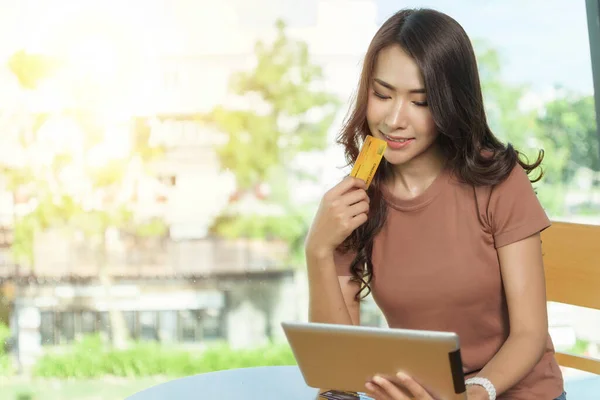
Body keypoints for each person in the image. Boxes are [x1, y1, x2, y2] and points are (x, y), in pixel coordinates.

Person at [304, 8, 566, 400]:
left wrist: (472, 394)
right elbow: (338, 366)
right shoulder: (355, 200)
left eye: (420, 101)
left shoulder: (498, 181)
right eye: (382, 94)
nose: (394, 120)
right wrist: (317, 249)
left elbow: (529, 334)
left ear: (449, 103)